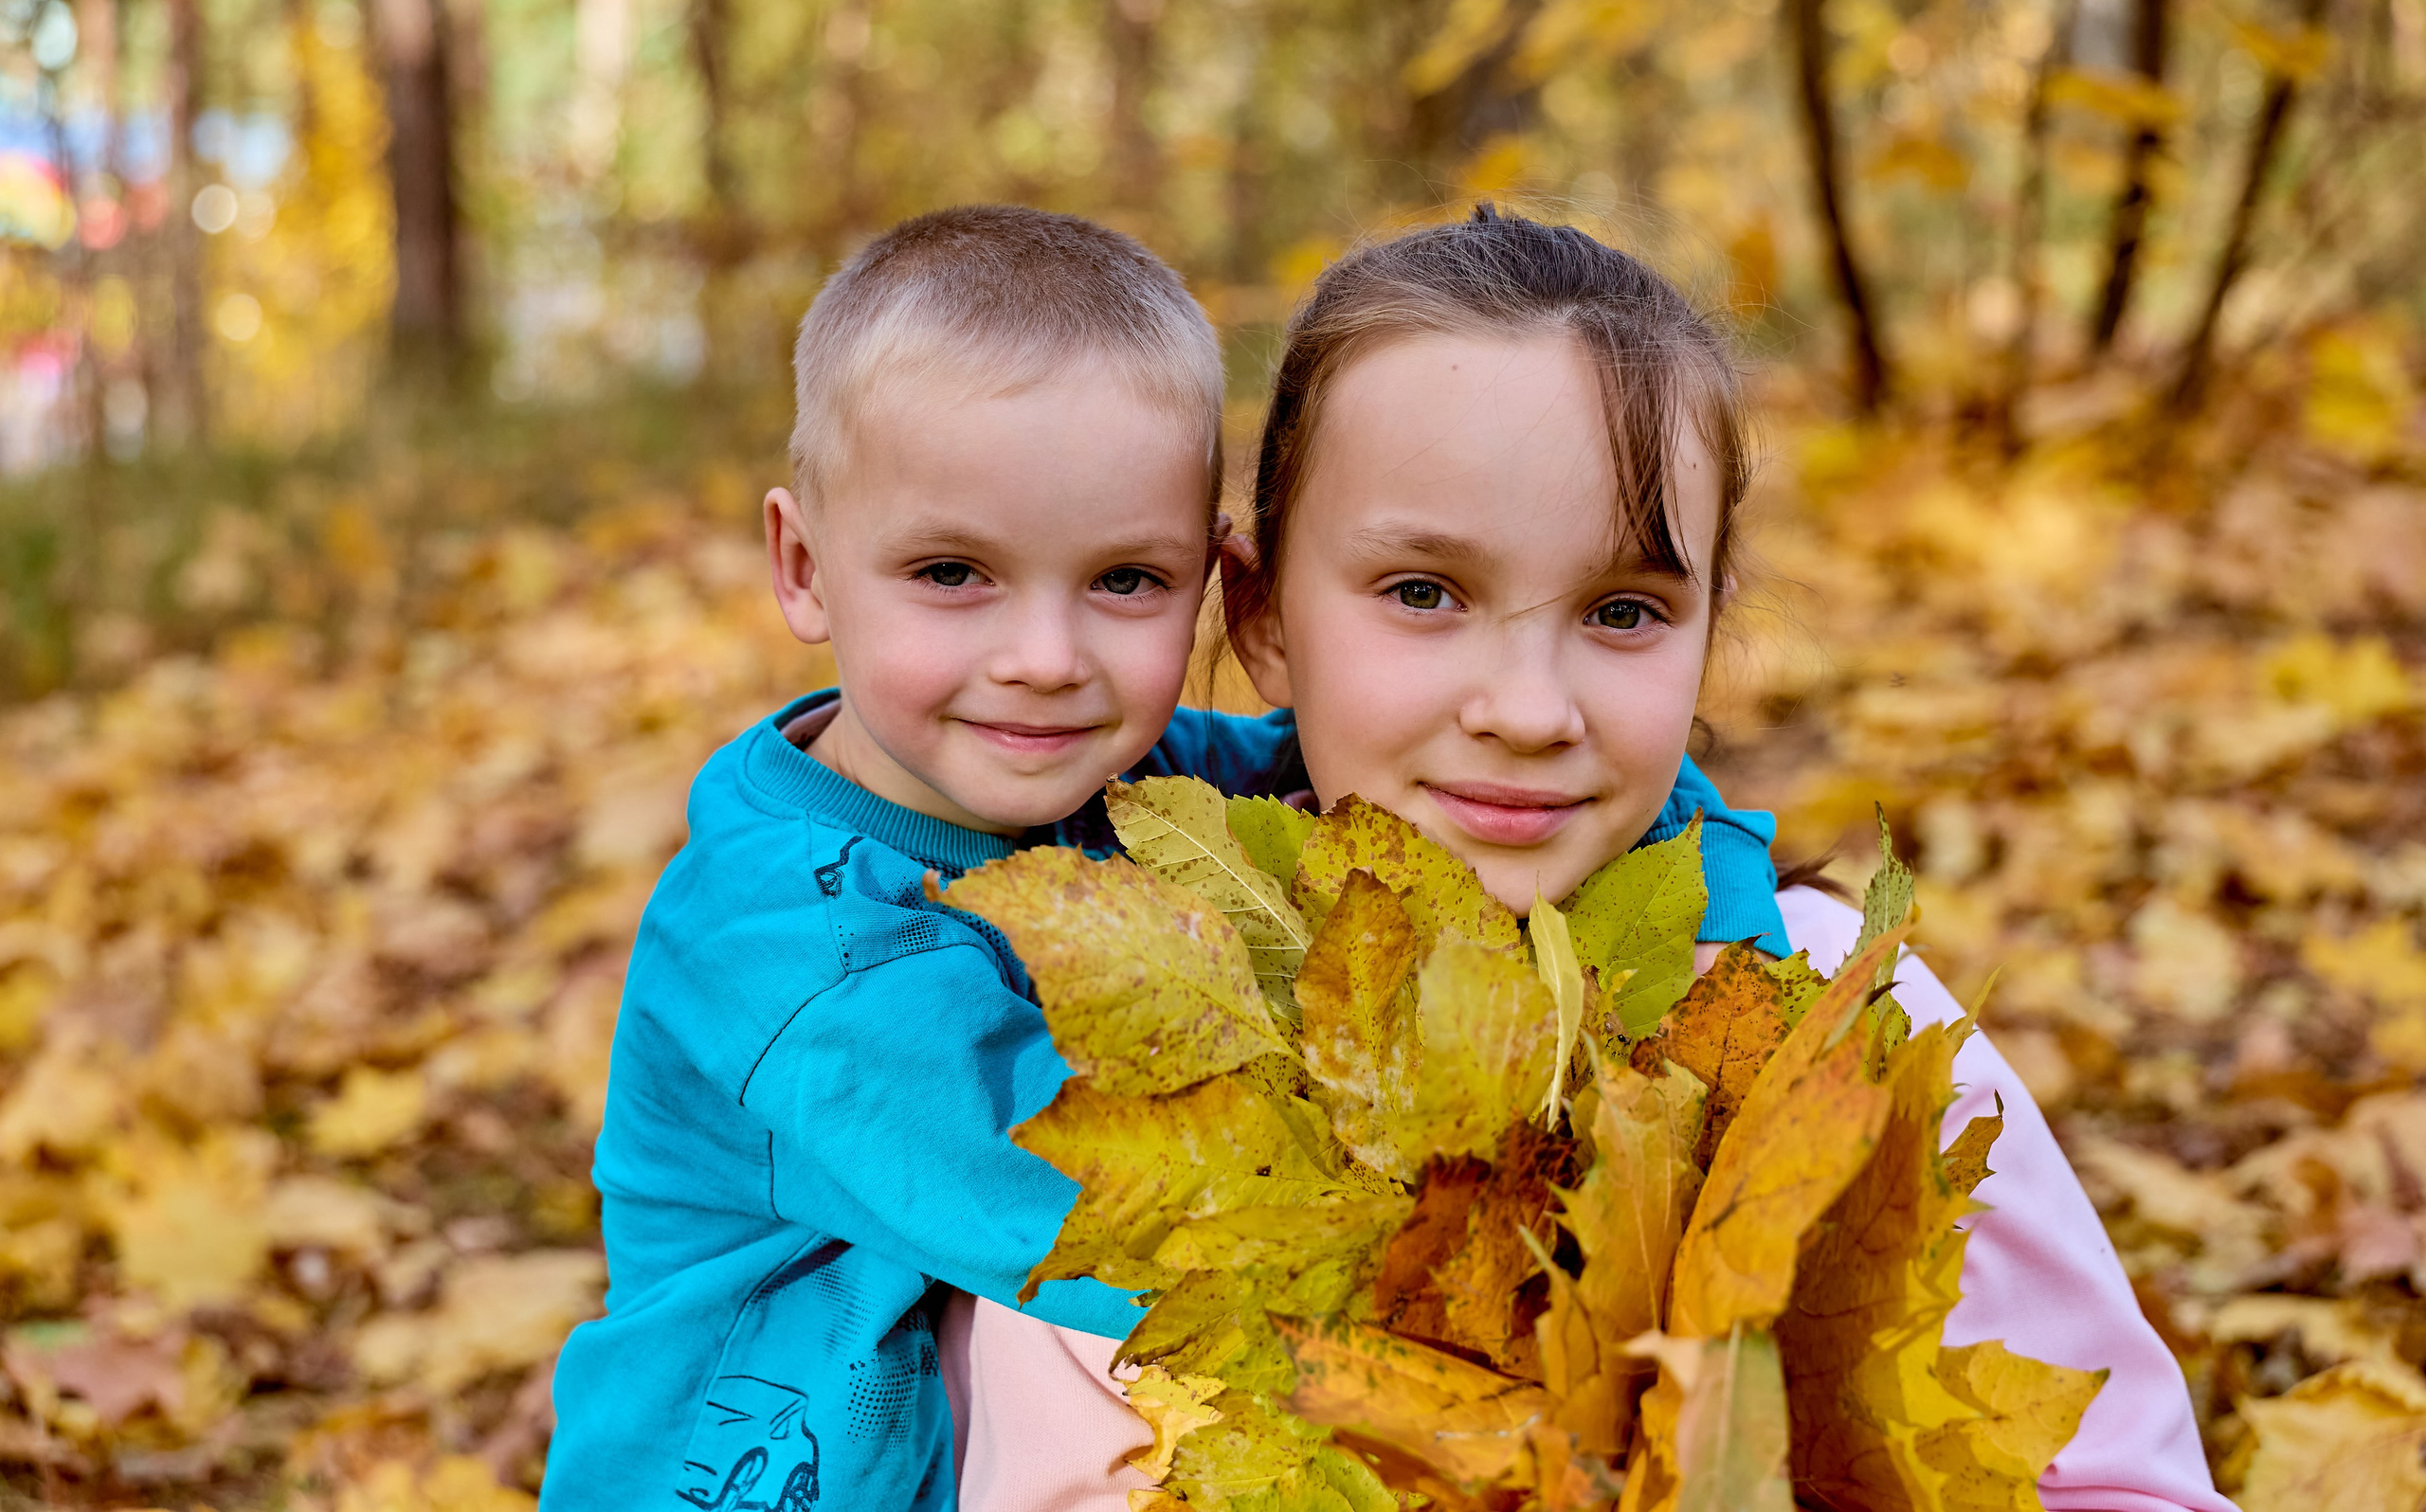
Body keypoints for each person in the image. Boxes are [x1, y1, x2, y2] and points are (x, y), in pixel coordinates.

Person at [944, 208, 2233, 1512]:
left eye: (1623, 612)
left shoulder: (1834, 1016)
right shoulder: (1148, 1068)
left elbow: (2121, 1481)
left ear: (1708, 628)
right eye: (1424, 594)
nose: (1528, 707)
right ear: (1264, 615)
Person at [538, 205, 1791, 1512]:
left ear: (1213, 589)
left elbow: (1553, 787)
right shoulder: (788, 954)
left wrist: (1721, 948)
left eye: (1124, 581)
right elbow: (1129, 1216)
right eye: (954, 571)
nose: (1046, 658)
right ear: (804, 567)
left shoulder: (1152, 784)